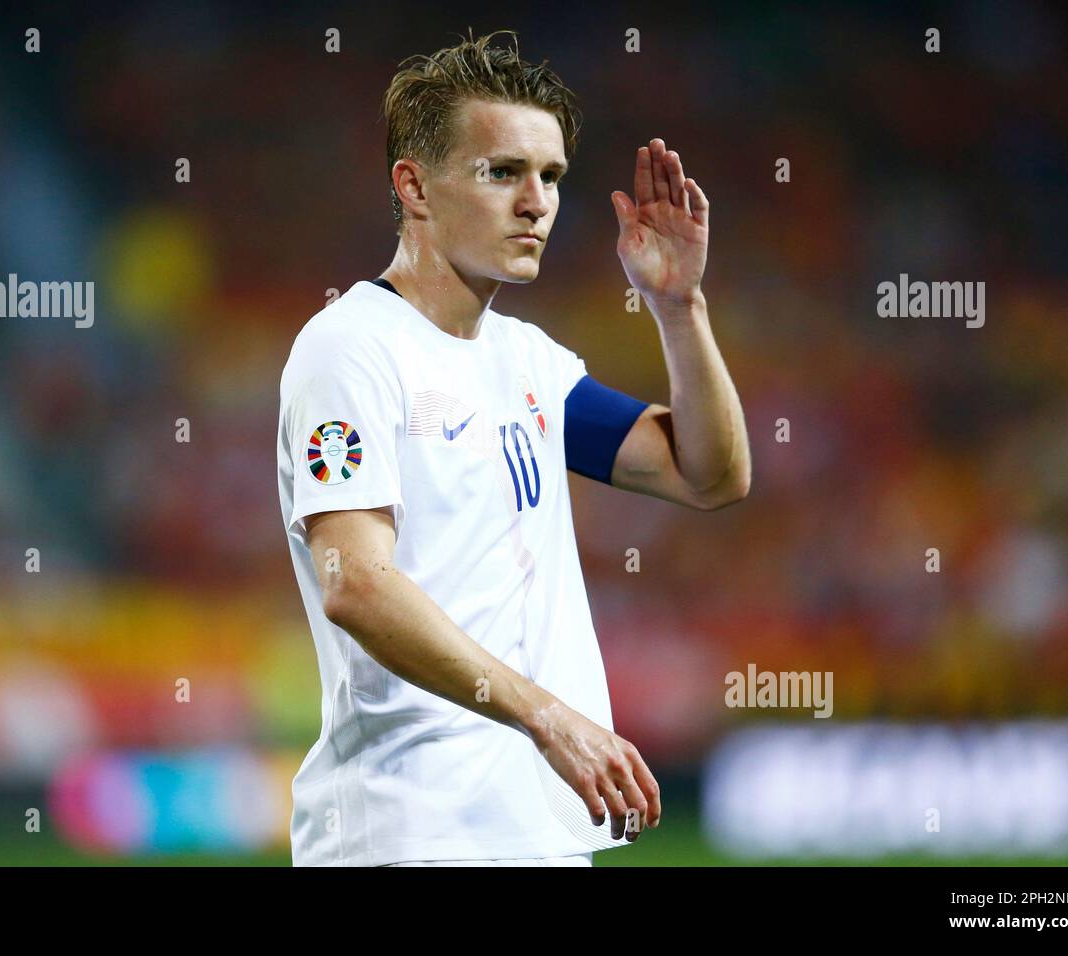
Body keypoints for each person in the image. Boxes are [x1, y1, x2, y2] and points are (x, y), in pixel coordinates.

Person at [276, 29, 750, 867]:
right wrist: (548, 715)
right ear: (414, 186)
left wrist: (681, 310)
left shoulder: (527, 364)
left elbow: (709, 476)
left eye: (552, 177)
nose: (536, 202)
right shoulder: (350, 349)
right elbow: (354, 582)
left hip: (537, 834)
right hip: (412, 834)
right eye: (503, 172)